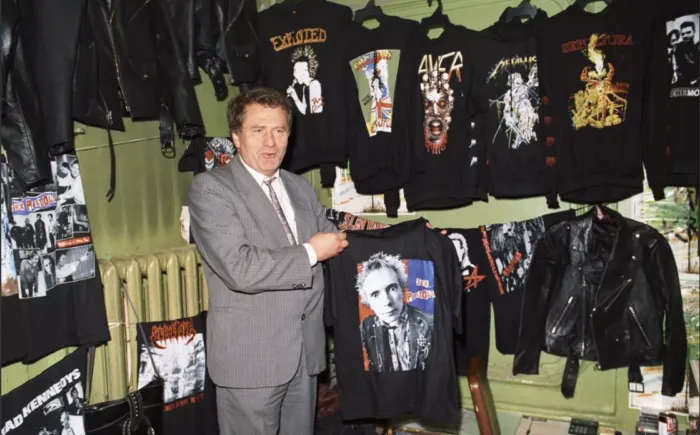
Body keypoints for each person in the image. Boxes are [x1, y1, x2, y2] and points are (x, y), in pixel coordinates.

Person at [187, 87, 348, 435]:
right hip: (251, 362)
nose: (270, 143)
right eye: (258, 130)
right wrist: (310, 252)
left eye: (279, 130)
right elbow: (239, 268)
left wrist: (409, 237)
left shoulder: (299, 187)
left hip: (304, 356)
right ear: (236, 136)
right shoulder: (210, 189)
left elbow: (336, 239)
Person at [356, 252, 433, 373]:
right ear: (368, 301)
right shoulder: (366, 327)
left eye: (392, 288)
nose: (387, 301)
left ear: (402, 288)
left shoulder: (429, 324)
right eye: (375, 294)